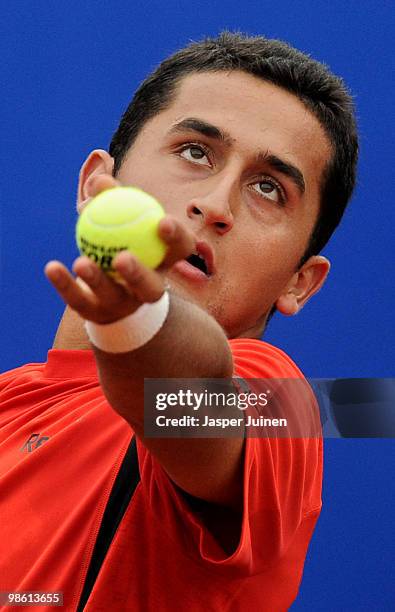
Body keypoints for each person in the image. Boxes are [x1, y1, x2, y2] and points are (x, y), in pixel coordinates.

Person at [0, 32, 358, 611]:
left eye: (269, 188)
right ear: (96, 187)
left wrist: (137, 322)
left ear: (300, 281)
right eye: (195, 151)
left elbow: (183, 403)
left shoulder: (284, 407)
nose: (216, 205)